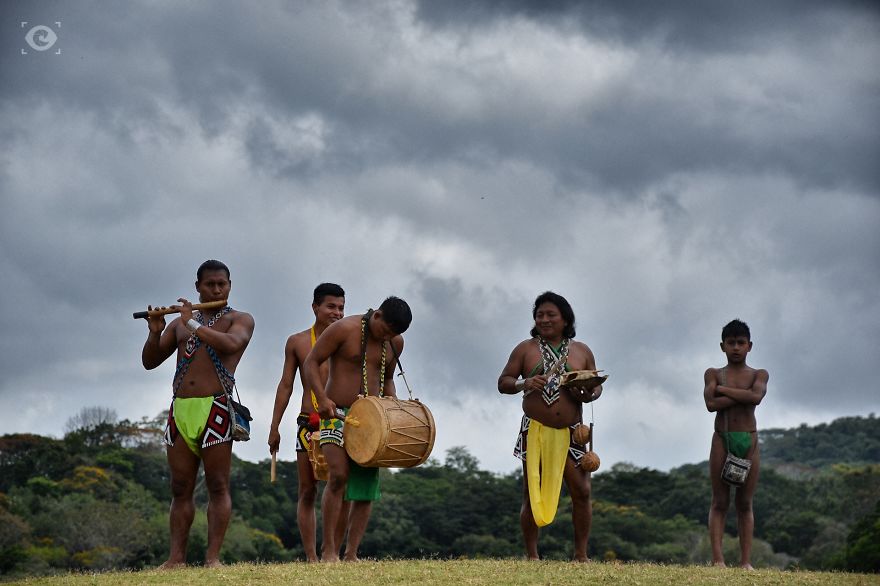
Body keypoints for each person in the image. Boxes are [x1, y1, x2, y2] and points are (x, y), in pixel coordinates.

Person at [141, 259, 255, 569]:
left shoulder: (239, 319)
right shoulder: (180, 323)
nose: (217, 289)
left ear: (229, 285)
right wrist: (155, 332)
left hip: (215, 408)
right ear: (197, 287)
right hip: (180, 410)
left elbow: (232, 344)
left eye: (222, 284)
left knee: (218, 485)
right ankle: (176, 559)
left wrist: (192, 324)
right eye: (210, 285)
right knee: (180, 488)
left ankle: (212, 559)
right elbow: (150, 362)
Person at [303, 296, 412, 562]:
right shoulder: (343, 329)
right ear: (377, 315)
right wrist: (322, 399)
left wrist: (394, 408)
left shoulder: (395, 342)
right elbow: (311, 363)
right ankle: (329, 550)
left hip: (372, 421)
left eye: (393, 334)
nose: (387, 337)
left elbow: (387, 379)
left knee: (365, 486)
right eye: (385, 330)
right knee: (338, 475)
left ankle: (351, 553)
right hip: (335, 413)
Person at [497, 291, 602, 562]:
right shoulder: (525, 349)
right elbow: (503, 382)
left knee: (582, 491)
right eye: (539, 314)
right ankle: (532, 556)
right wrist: (525, 383)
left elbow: (596, 385)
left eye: (550, 315)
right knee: (532, 491)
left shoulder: (582, 351)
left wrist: (588, 393)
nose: (544, 319)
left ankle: (581, 555)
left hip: (572, 432)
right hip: (536, 430)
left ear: (565, 319)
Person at [268, 283, 350, 562]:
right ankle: (311, 558)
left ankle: (333, 552)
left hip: (339, 420)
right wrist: (274, 427)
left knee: (341, 485)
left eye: (341, 307)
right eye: (331, 306)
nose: (337, 313)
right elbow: (286, 385)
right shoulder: (298, 341)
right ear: (315, 307)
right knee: (307, 490)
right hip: (308, 422)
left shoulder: (348, 341)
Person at [704, 319, 769, 569]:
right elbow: (711, 405)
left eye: (741, 343)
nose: (736, 348)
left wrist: (724, 391)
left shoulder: (759, 374)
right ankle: (718, 560)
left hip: (748, 439)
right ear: (722, 346)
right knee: (720, 501)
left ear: (749, 346)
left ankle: (745, 562)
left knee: (744, 503)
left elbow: (756, 397)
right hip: (722, 437)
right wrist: (744, 396)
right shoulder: (713, 373)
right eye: (731, 343)